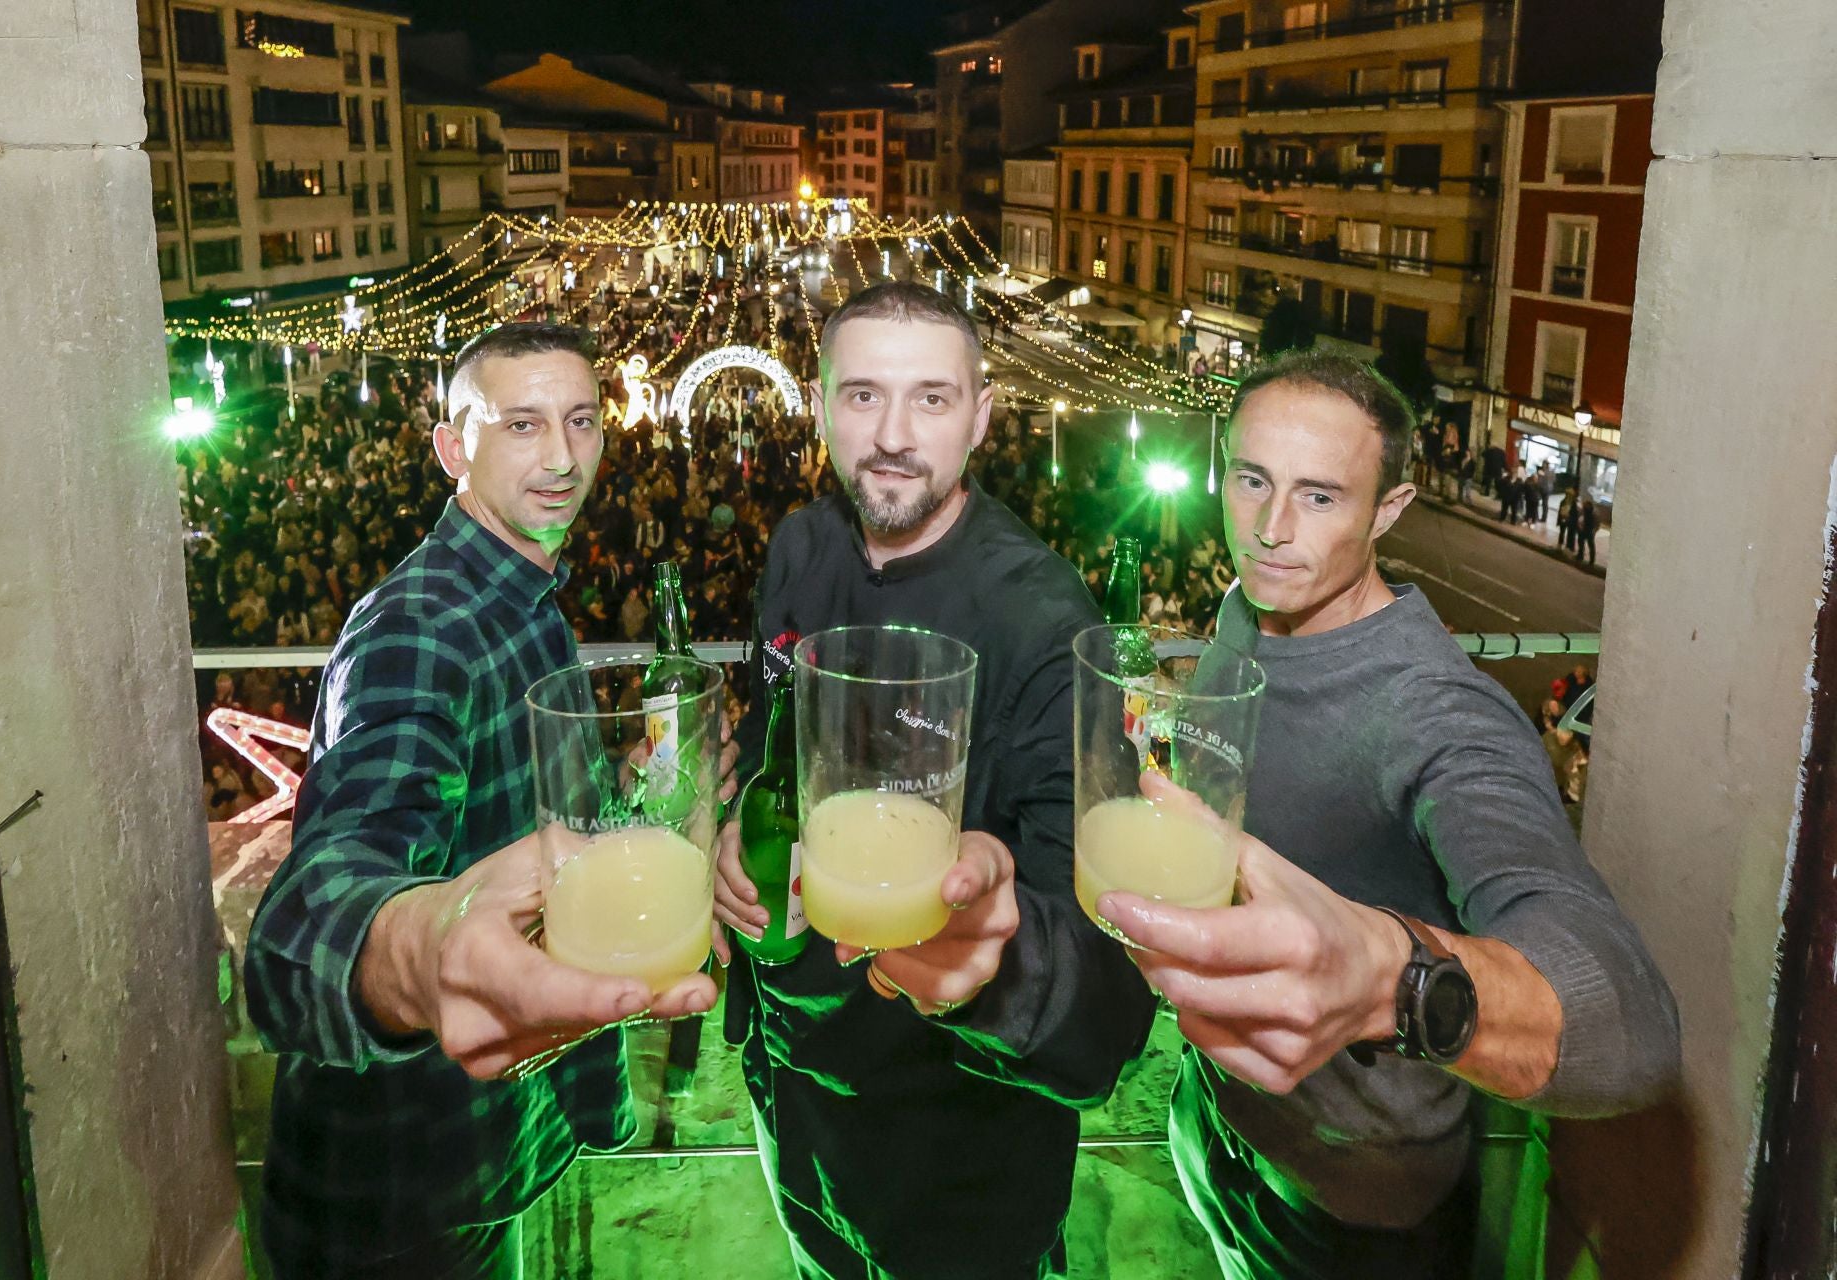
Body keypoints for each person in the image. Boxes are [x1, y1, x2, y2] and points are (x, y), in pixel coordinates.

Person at [1094, 350, 1680, 1280]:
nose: (1272, 529)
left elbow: (1633, 1025)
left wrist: (1390, 981)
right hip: (1214, 1125)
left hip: (1356, 1214)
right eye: (1252, 481)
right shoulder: (1247, 613)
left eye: (1321, 497)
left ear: (1389, 511)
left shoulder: (1442, 714)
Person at [245, 323, 726, 1278]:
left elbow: (509, 824)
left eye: (581, 421)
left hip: (477, 1156)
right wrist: (417, 945)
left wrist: (622, 797)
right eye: (520, 425)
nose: (560, 456)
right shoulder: (422, 627)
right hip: (402, 1193)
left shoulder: (517, 598)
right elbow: (328, 891)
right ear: (453, 447)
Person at [715, 281, 1156, 1278]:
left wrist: (998, 964)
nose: (893, 435)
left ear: (982, 417)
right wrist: (728, 827)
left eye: (932, 399)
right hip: (792, 1095)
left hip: (958, 1142)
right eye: (864, 395)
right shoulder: (799, 547)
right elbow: (764, 733)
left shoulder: (1044, 623)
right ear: (821, 403)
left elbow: (1108, 994)